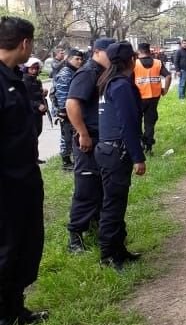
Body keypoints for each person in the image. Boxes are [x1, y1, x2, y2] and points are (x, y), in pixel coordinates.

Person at [0, 16, 49, 325]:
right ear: (25, 43)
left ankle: (16, 308)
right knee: (6, 247)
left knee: (26, 244)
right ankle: (3, 317)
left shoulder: (15, 77)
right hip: (5, 183)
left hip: (24, 178)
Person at [95, 41, 146, 270]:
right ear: (131, 61)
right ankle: (108, 255)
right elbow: (128, 124)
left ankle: (118, 250)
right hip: (117, 151)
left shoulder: (107, 82)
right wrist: (138, 157)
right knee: (113, 205)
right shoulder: (121, 86)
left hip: (107, 149)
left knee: (116, 203)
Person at [65, 37, 115, 253]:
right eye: (108, 53)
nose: (111, 58)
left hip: (101, 139)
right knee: (86, 188)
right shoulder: (88, 72)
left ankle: (95, 224)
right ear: (96, 52)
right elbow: (72, 103)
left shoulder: (104, 72)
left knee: (100, 186)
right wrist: (83, 133)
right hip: (88, 139)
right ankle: (75, 237)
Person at [134, 42, 171, 155]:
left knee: (137, 121)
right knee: (150, 123)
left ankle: (139, 144)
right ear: (149, 51)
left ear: (139, 51)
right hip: (154, 98)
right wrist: (165, 90)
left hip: (138, 98)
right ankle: (148, 147)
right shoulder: (157, 63)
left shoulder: (134, 64)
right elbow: (168, 76)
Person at [53, 48, 84, 170]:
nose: (79, 61)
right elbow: (62, 95)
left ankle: (72, 157)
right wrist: (63, 111)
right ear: (69, 59)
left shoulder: (74, 71)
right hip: (65, 111)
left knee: (73, 134)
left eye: (81, 59)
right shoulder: (65, 73)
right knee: (66, 136)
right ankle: (66, 161)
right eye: (77, 59)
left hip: (73, 108)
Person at [22, 57, 48, 159]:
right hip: (30, 112)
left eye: (36, 68)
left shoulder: (37, 81)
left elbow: (36, 95)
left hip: (38, 113)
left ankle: (34, 157)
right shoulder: (24, 81)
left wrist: (43, 93)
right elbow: (25, 99)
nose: (34, 71)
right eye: (32, 68)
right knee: (31, 136)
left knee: (37, 133)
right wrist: (37, 105)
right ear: (27, 68)